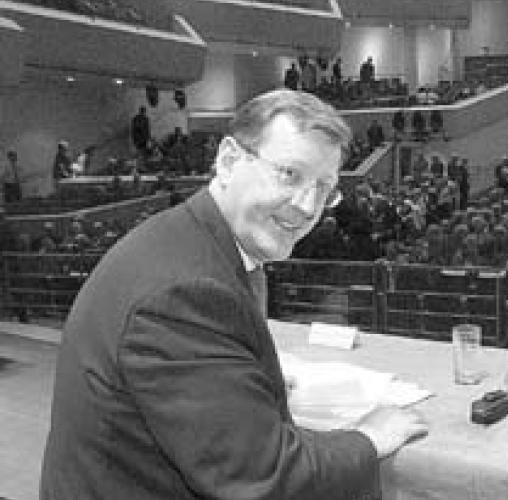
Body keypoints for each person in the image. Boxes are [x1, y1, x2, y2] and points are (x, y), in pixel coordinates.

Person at [40, 89, 428, 500]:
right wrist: (369, 438)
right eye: (289, 174)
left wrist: (247, 379)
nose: (306, 206)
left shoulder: (194, 240)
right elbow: (262, 476)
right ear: (228, 161)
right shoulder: (183, 293)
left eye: (324, 189)